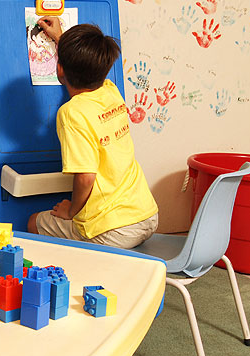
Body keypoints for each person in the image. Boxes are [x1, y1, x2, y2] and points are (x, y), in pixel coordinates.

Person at [26, 17, 158, 249]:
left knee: (34, 222)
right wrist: (60, 37)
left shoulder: (71, 113)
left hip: (113, 229)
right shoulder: (111, 91)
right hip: (146, 215)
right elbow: (88, 67)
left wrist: (71, 210)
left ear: (59, 68)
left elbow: (86, 176)